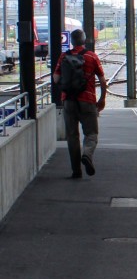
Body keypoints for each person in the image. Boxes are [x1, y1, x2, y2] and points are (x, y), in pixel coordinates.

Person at [53, 29, 107, 178]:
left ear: (72, 41)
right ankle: (87, 155)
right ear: (84, 41)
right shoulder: (92, 56)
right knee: (91, 134)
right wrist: (102, 99)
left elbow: (56, 79)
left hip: (69, 101)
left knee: (72, 136)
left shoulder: (64, 56)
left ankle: (76, 171)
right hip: (87, 100)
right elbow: (103, 81)